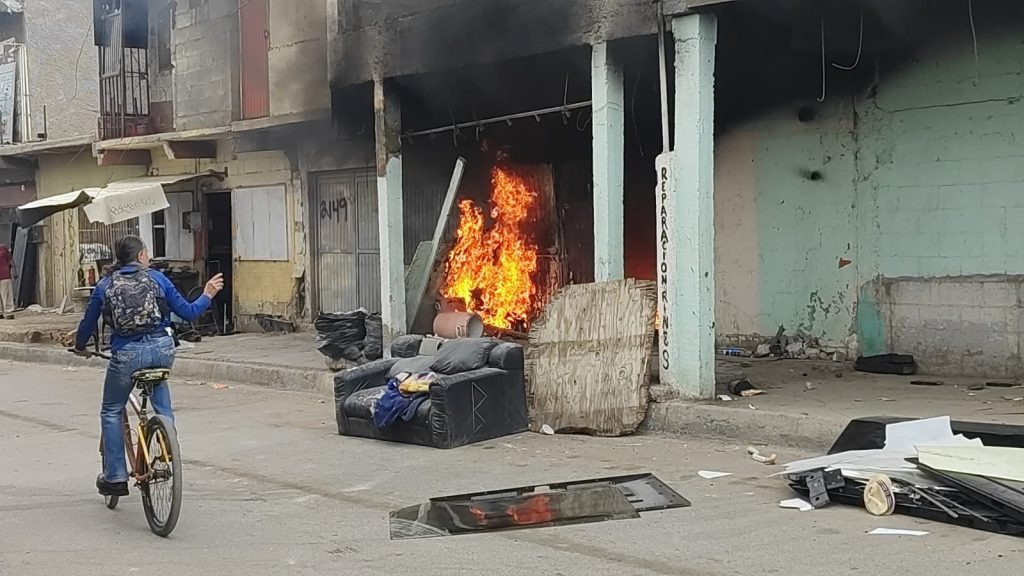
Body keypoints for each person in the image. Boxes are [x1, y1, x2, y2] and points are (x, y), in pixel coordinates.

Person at [74, 235, 224, 497]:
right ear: (141, 256)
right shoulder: (158, 279)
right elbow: (188, 312)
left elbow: (87, 325)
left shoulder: (105, 285)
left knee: (111, 410)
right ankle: (168, 447)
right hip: (163, 350)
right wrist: (207, 294)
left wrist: (79, 346)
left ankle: (116, 477)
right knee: (161, 398)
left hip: (127, 354)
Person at [0, 243, 16, 319]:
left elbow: (10, 259)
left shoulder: (3, 248)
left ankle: (9, 312)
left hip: (4, 275)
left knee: (7, 294)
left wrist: (14, 270)